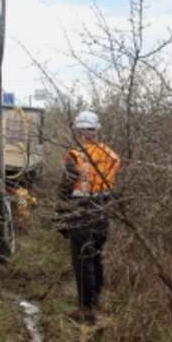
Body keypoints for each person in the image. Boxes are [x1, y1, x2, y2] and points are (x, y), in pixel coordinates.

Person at [57, 110, 120, 325]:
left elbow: (65, 187)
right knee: (96, 258)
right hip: (102, 211)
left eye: (78, 131)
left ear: (81, 131)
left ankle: (86, 310)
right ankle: (96, 302)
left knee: (82, 261)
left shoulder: (75, 155)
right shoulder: (110, 154)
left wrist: (61, 214)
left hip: (81, 213)